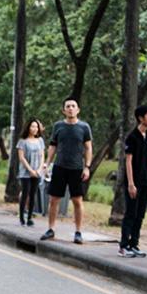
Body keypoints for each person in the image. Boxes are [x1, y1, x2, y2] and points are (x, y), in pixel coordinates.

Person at [41, 98, 92, 244]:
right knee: (54, 200)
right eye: (68, 106)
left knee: (77, 200)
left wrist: (87, 167)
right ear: (64, 110)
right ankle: (51, 229)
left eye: (73, 106)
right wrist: (47, 163)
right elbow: (53, 146)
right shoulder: (58, 126)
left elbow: (88, 148)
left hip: (76, 168)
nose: (70, 108)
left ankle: (78, 232)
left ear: (78, 109)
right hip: (59, 167)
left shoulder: (84, 127)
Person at [119, 105, 147, 258]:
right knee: (130, 213)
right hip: (134, 182)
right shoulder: (132, 137)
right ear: (141, 118)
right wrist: (131, 183)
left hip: (145, 181)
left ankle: (134, 243)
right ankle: (123, 245)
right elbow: (128, 161)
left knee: (140, 214)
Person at [17, 119, 46, 227]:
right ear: (28, 127)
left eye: (36, 127)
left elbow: (42, 155)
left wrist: (38, 170)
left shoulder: (40, 140)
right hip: (25, 172)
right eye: (32, 126)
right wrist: (30, 170)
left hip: (37, 171)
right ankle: (21, 217)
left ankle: (29, 217)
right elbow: (21, 157)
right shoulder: (22, 141)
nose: (35, 129)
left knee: (33, 194)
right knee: (25, 193)